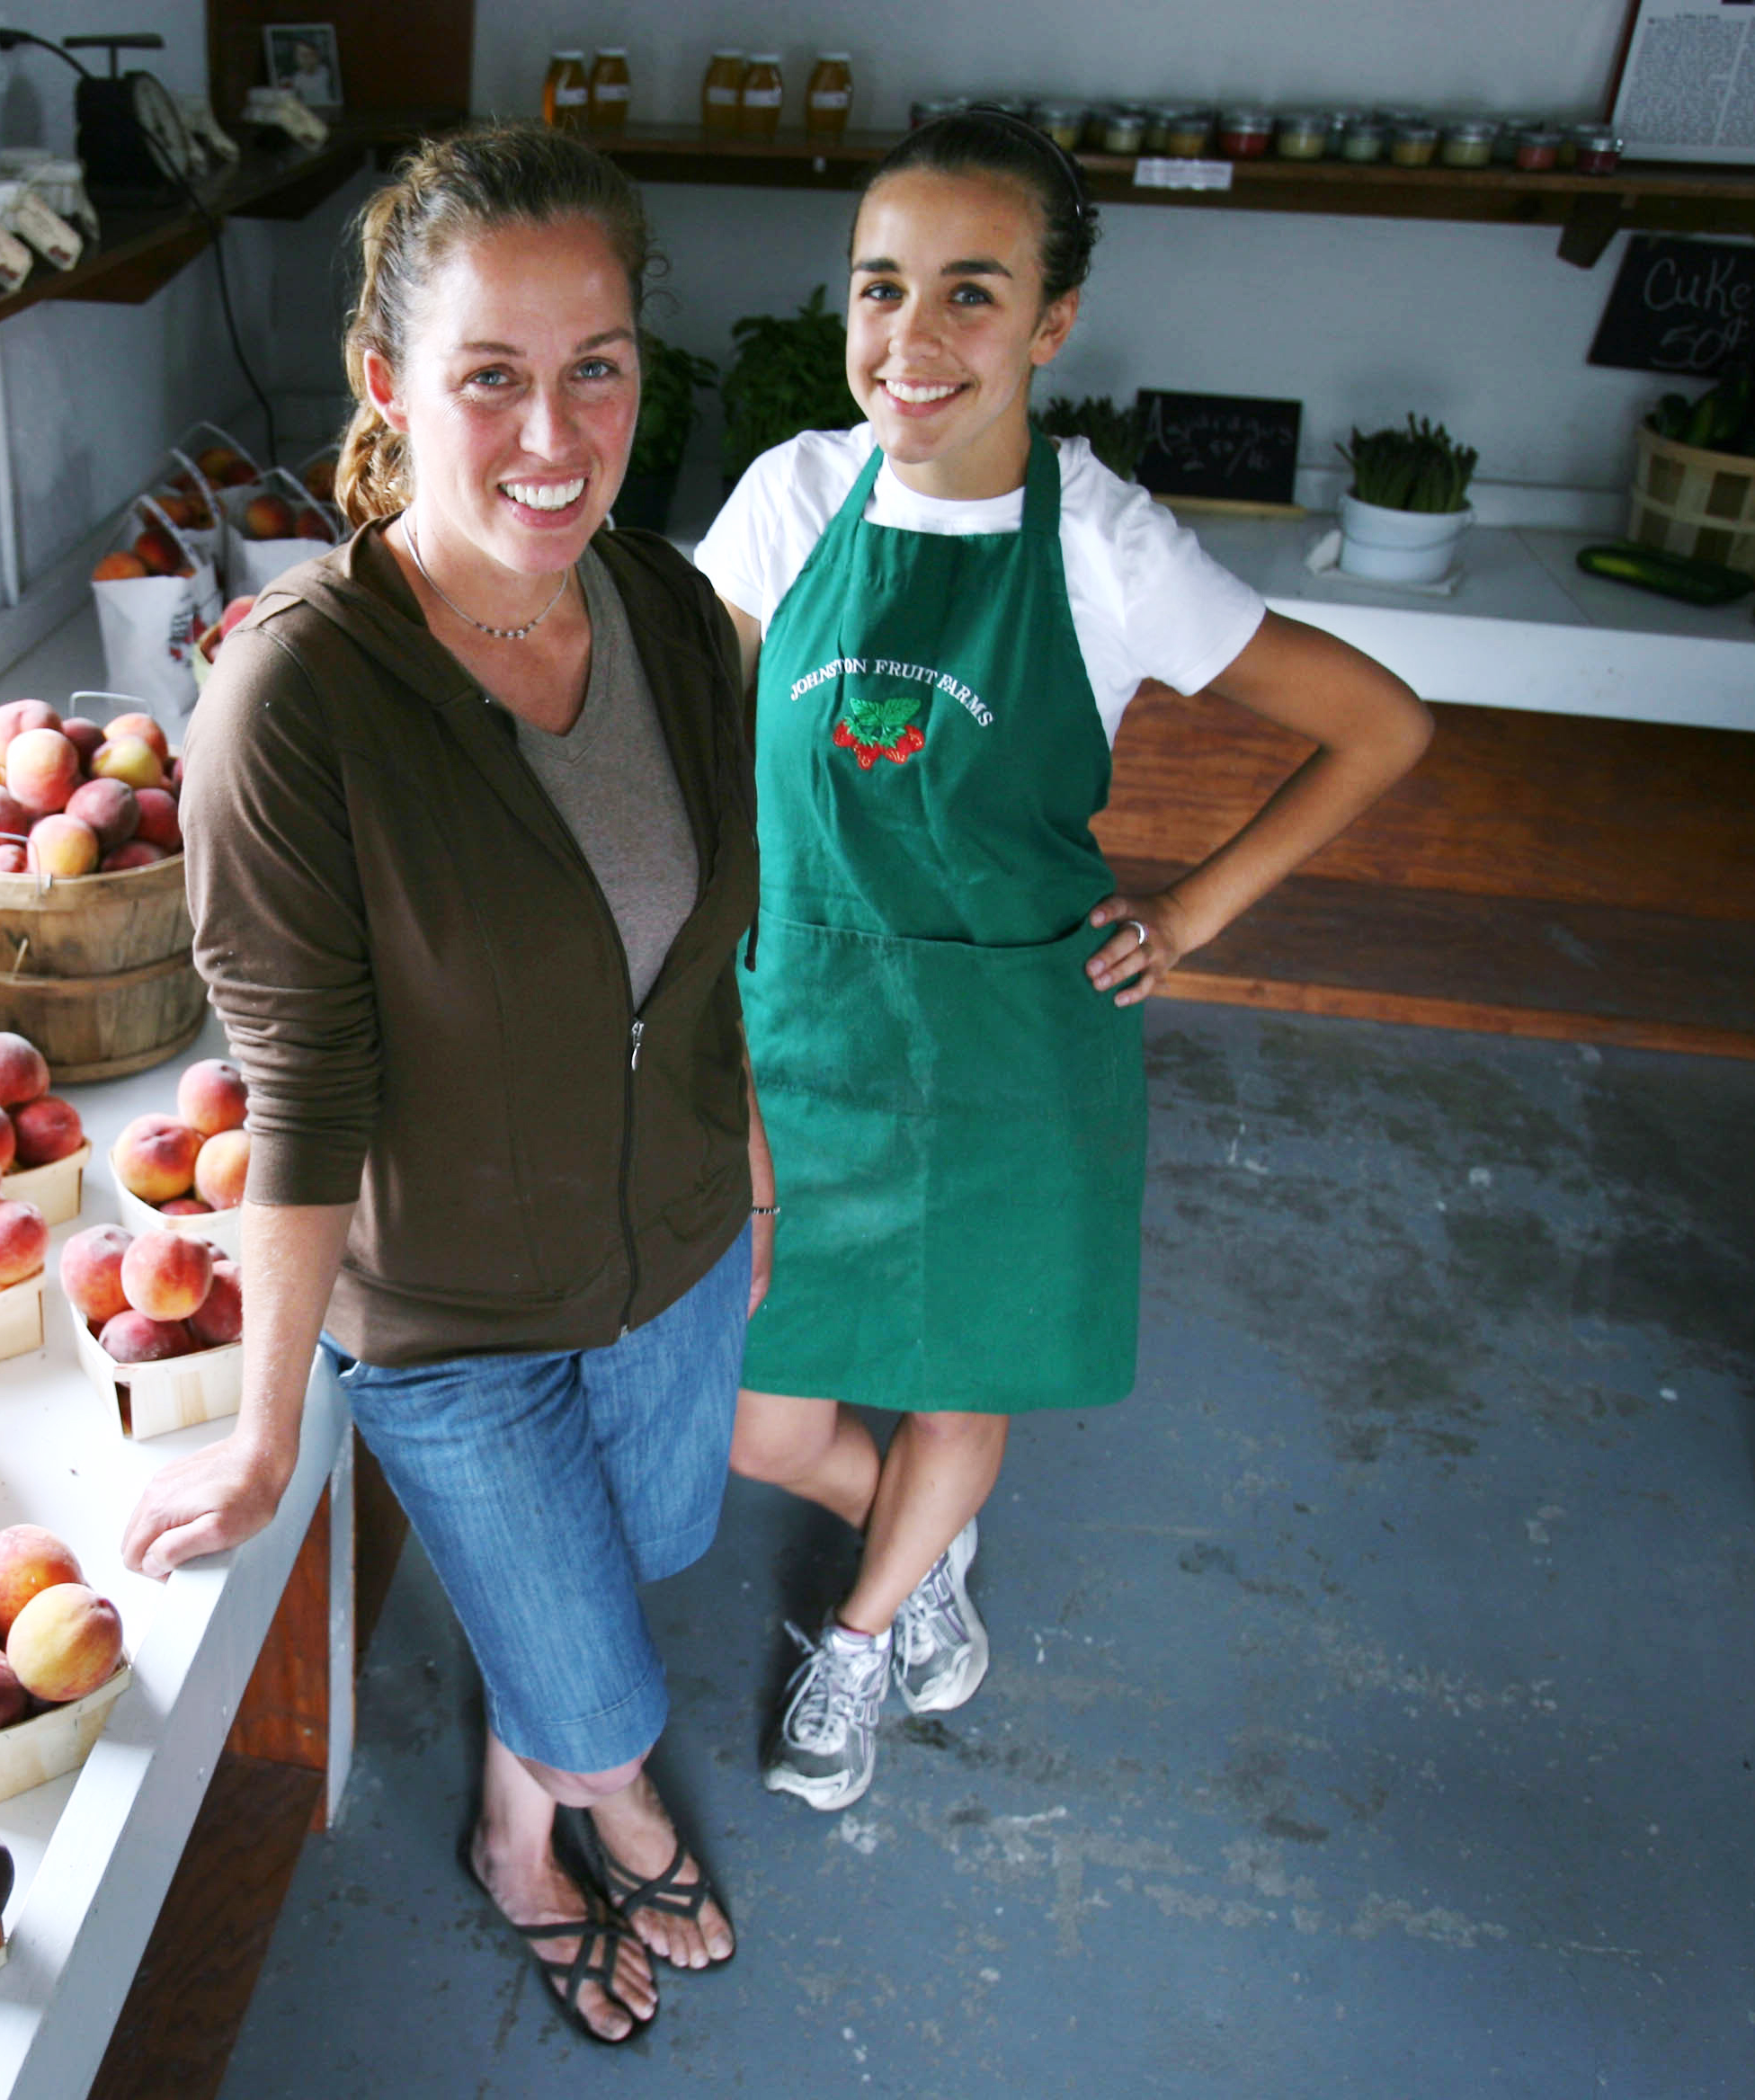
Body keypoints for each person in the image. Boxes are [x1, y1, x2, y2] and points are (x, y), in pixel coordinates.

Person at [696, 109, 1435, 1812]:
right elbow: (701, 770)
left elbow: (1378, 729)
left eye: (975, 291)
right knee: (757, 1417)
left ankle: (871, 1636)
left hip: (1014, 1049)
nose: (917, 337)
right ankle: (925, 1545)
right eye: (884, 287)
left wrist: (1189, 913)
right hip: (800, 1025)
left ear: (1053, 321)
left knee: (969, 1366)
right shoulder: (790, 498)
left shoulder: (1104, 542)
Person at [118, 123, 762, 2043]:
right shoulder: (293, 698)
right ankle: (581, 1810)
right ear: (394, 388)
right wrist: (259, 1432)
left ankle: (516, 1794)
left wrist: (766, 1175)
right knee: (604, 1695)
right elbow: (301, 1092)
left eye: (598, 368)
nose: (551, 432)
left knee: (648, 1554)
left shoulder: (660, 611)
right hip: (454, 1320)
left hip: (677, 1255)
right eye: (492, 375)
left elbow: (728, 943)